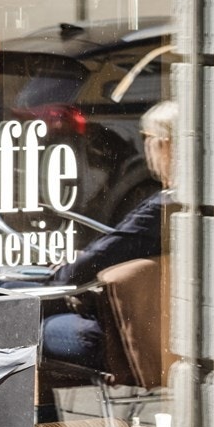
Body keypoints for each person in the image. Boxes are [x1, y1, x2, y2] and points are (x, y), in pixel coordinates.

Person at [39, 100, 175, 391]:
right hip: (156, 330)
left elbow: (99, 259)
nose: (145, 149)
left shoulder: (162, 206)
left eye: (147, 140)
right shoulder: (188, 200)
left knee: (30, 330)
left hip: (114, 332)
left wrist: (64, 271)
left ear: (167, 146)